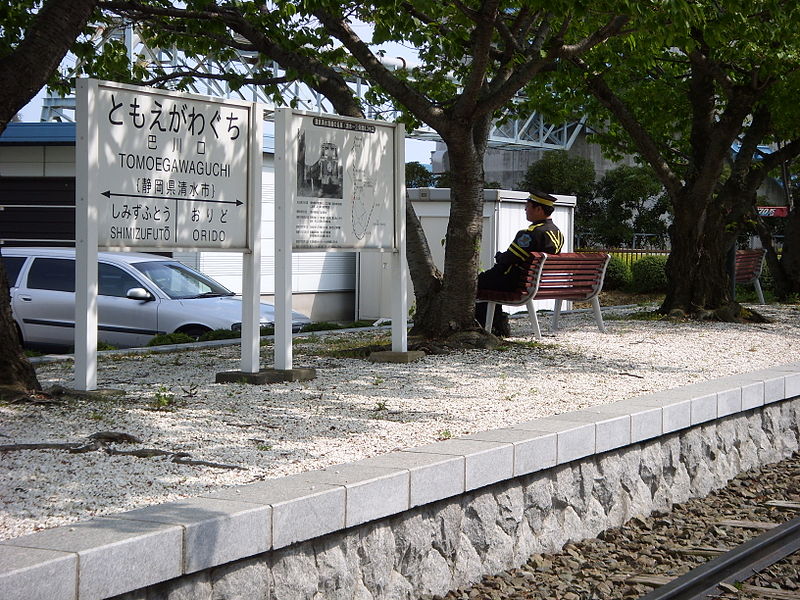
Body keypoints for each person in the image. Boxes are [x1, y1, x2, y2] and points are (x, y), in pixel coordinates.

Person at [476, 190, 564, 336]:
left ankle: (490, 327)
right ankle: (497, 325)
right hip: (538, 282)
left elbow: (509, 259)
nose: (525, 209)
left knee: (477, 283)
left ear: (539, 209)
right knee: (489, 281)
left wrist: (499, 256)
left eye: (528, 206)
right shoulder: (557, 233)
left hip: (517, 282)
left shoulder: (530, 233)